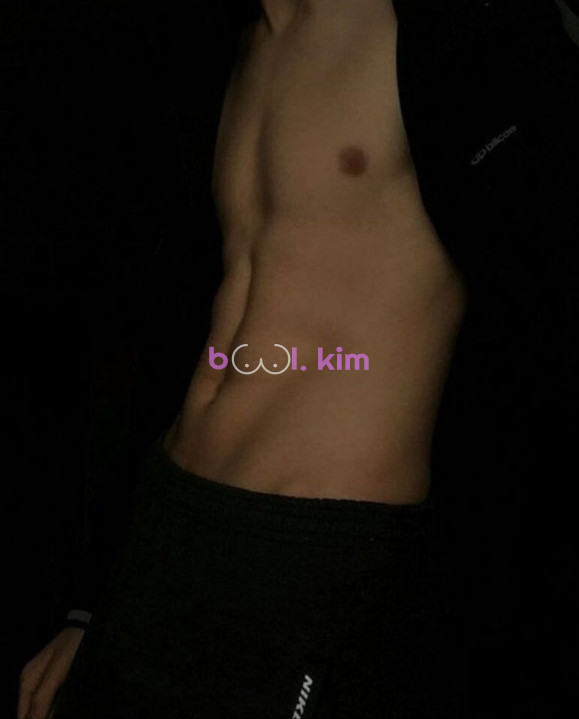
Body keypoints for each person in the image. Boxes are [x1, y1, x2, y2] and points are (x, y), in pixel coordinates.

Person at [22, 0, 579, 716]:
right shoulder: (227, 48)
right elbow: (180, 333)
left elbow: (545, 329)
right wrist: (90, 601)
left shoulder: (457, 26)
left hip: (317, 554)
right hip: (166, 525)